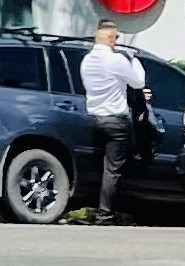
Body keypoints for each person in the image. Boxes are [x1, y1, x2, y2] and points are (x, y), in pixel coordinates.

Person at [80, 19, 147, 225]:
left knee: (101, 167)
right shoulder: (116, 61)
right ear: (110, 38)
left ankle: (98, 208)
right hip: (116, 121)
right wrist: (134, 59)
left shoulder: (87, 62)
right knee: (114, 170)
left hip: (95, 119)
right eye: (116, 37)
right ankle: (106, 213)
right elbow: (138, 82)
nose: (117, 41)